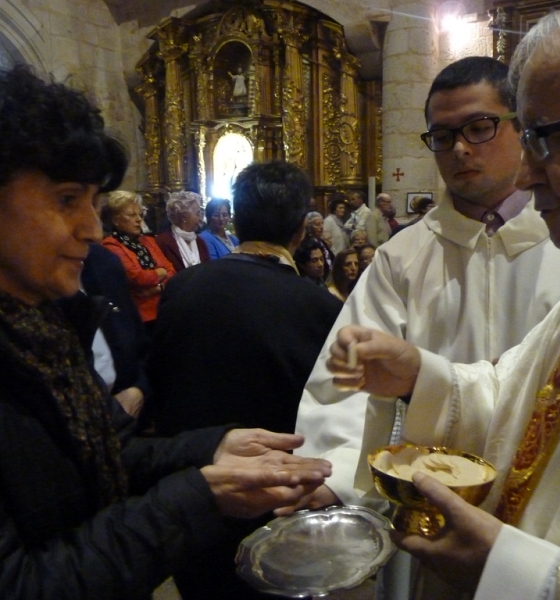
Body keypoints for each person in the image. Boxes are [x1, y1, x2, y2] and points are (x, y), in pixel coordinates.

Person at [0, 64, 331, 600]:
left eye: (94, 203)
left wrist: (215, 446)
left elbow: (108, 452)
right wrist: (198, 497)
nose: (91, 228)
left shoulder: (44, 328)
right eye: (66, 200)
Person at [326, 2, 560, 597]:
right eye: (443, 136)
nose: (529, 172)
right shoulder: (404, 255)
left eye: (546, 137)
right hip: (435, 521)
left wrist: (511, 570)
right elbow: (510, 395)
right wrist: (418, 376)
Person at [147, 160, 343, 599]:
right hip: (280, 505)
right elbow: (334, 413)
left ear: (236, 216)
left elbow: (162, 381)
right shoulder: (318, 308)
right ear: (299, 229)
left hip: (194, 494)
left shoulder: (181, 288)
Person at [80, 242, 150, 419]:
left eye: (96, 213)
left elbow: (140, 345)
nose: (94, 232)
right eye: (66, 212)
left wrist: (139, 389)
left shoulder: (103, 261)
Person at [101, 190, 176, 332]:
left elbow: (171, 270)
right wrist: (160, 272)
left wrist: (158, 287)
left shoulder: (148, 241)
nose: (138, 220)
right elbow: (137, 277)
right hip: (140, 316)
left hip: (164, 308)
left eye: (140, 215)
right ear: (115, 220)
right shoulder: (110, 245)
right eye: (131, 215)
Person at [155, 190, 210, 272]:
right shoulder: (163, 242)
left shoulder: (200, 242)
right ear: (184, 217)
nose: (200, 218)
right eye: (197, 213)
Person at [305, 210, 335, 277]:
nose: (321, 227)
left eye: (322, 223)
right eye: (317, 224)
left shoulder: (321, 241)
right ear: (309, 227)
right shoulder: (306, 244)